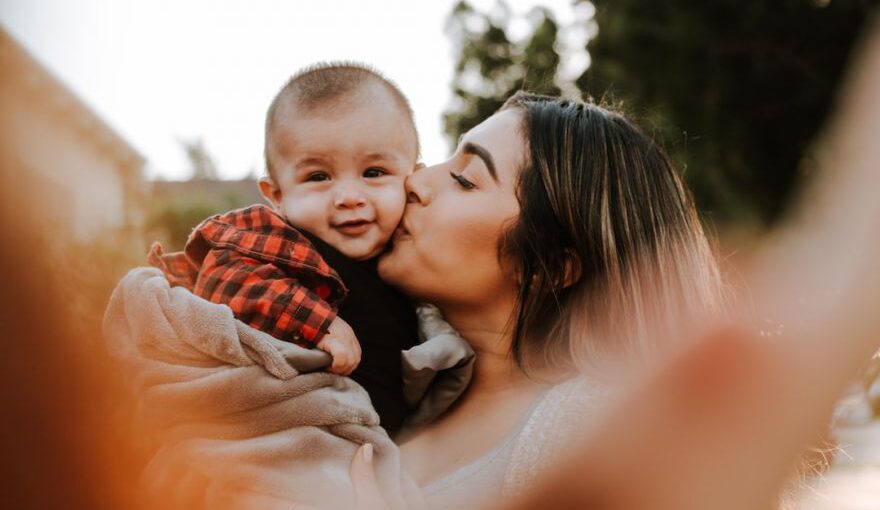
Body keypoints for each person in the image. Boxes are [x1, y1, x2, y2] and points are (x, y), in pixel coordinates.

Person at [368, 90, 725, 508]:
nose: (414, 180)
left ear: (549, 267)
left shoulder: (595, 433)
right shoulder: (391, 377)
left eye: (464, 179)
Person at [148, 62, 424, 437]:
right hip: (292, 438)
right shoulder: (281, 240)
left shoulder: (416, 253)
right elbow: (225, 277)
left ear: (414, 178)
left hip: (386, 447)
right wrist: (316, 322)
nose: (348, 197)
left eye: (374, 172)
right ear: (277, 196)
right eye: (318, 177)